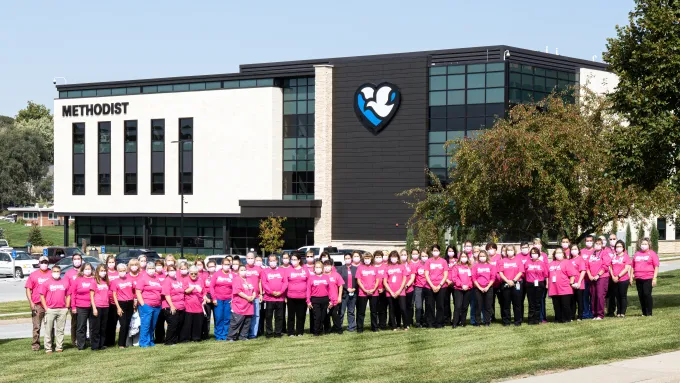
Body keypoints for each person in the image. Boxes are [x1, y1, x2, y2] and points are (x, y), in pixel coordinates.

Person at [39, 265, 71, 353]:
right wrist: (46, 307)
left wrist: (67, 307)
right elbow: (42, 296)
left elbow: (68, 295)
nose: (56, 273)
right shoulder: (46, 283)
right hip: (50, 309)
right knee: (48, 330)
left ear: (60, 272)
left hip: (62, 310)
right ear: (51, 272)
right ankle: (48, 348)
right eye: (54, 271)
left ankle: (59, 347)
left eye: (58, 271)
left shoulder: (64, 282)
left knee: (60, 330)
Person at [25, 255, 52, 351]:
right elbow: (28, 289)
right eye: (42, 262)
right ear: (39, 263)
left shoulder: (52, 273)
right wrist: (31, 302)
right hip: (37, 304)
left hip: (49, 304)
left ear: (48, 263)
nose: (44, 264)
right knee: (36, 326)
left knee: (50, 326)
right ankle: (35, 345)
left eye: (46, 262)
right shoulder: (33, 275)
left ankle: (49, 344)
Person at [136, 262, 163, 347]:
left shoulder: (157, 279)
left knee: (152, 325)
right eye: (149, 268)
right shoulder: (143, 279)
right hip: (147, 305)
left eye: (153, 268)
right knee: (146, 324)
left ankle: (150, 341)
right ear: (146, 269)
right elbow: (138, 292)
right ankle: (143, 342)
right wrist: (143, 304)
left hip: (157, 306)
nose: (151, 270)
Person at [548, 248, 578, 323]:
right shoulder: (551, 263)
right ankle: (558, 318)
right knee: (556, 305)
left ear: (563, 254)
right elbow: (548, 275)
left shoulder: (567, 262)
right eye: (556, 253)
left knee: (565, 305)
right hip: (554, 288)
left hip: (565, 288)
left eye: (560, 252)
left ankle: (566, 319)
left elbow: (572, 275)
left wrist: (571, 283)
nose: (558, 254)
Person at [69, 262, 94, 350]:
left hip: (92, 306)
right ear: (82, 270)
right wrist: (73, 307)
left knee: (93, 326)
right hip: (81, 306)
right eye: (86, 269)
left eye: (89, 269)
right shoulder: (78, 279)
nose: (88, 271)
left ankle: (93, 344)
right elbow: (73, 294)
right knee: (81, 326)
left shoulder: (94, 279)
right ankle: (81, 345)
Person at [631, 237, 659, 317]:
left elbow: (656, 266)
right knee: (641, 295)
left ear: (649, 245)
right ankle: (644, 312)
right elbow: (633, 266)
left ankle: (649, 312)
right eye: (642, 244)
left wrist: (654, 278)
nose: (644, 245)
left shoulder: (652, 253)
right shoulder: (637, 254)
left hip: (648, 278)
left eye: (645, 244)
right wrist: (632, 275)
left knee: (647, 294)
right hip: (638, 278)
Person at [261, 255, 288, 338]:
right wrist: (272, 292)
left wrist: (281, 292)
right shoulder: (265, 271)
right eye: (270, 261)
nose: (272, 262)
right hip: (269, 298)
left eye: (274, 260)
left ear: (277, 261)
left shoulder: (282, 271)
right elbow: (264, 283)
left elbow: (285, 282)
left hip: (280, 298)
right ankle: (269, 333)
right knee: (268, 316)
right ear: (268, 262)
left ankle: (278, 333)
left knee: (279, 317)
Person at [228, 265, 256, 341]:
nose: (243, 271)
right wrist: (247, 297)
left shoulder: (249, 279)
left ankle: (243, 336)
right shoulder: (236, 279)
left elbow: (253, 290)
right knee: (236, 322)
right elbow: (238, 291)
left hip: (249, 305)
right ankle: (231, 337)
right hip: (239, 305)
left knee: (247, 322)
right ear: (238, 271)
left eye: (244, 270)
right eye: (241, 270)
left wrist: (253, 296)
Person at [587, 237, 612, 320]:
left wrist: (598, 275)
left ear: (602, 245)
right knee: (593, 296)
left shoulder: (604, 253)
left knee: (600, 295)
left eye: (599, 244)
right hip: (592, 278)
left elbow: (605, 266)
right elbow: (587, 266)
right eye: (596, 244)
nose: (597, 245)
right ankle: (594, 314)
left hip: (602, 277)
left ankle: (600, 314)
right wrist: (590, 275)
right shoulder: (592, 254)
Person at [499, 245, 524, 326]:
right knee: (506, 304)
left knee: (517, 304)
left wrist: (513, 281)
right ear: (506, 252)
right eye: (508, 250)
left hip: (516, 283)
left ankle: (517, 321)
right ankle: (507, 321)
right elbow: (500, 273)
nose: (510, 251)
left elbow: (520, 272)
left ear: (514, 251)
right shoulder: (502, 261)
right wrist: (508, 281)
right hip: (506, 284)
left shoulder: (518, 260)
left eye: (511, 250)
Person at [111, 263, 135, 348]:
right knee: (123, 324)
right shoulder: (115, 282)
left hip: (130, 303)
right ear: (118, 271)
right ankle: (121, 344)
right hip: (121, 303)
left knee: (128, 323)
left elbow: (134, 291)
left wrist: (134, 301)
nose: (122, 272)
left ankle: (126, 342)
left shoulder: (130, 279)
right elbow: (114, 295)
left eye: (124, 270)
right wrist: (118, 307)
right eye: (120, 271)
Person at [210, 257, 234, 341]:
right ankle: (219, 335)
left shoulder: (232, 275)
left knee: (227, 318)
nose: (227, 266)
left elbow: (235, 287)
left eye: (228, 264)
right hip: (218, 299)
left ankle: (225, 334)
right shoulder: (217, 274)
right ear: (222, 265)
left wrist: (232, 298)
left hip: (228, 300)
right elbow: (211, 287)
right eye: (225, 264)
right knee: (219, 317)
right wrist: (214, 298)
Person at [424, 245, 448, 328]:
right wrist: (432, 286)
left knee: (440, 305)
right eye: (434, 250)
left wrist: (439, 285)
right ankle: (430, 323)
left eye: (437, 250)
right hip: (429, 287)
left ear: (440, 251)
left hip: (441, 286)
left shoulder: (443, 261)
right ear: (431, 252)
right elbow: (426, 274)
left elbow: (445, 275)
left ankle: (439, 323)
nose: (435, 252)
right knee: (430, 305)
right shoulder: (428, 261)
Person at [306, 261, 333, 336]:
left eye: (319, 267)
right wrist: (308, 301)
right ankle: (316, 331)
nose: (318, 269)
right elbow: (308, 290)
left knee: (323, 316)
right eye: (316, 267)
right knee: (317, 316)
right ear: (314, 269)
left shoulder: (326, 277)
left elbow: (330, 290)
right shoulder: (311, 278)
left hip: (325, 299)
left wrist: (331, 300)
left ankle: (321, 330)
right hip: (315, 299)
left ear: (322, 268)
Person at [161, 264, 185, 345]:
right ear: (167, 271)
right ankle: (168, 341)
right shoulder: (167, 280)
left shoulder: (177, 280)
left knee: (178, 324)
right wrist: (172, 306)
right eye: (170, 270)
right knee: (173, 324)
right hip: (170, 306)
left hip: (180, 306)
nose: (172, 272)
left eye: (173, 270)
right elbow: (167, 295)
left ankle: (174, 340)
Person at [356, 252, 379, 333]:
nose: (367, 260)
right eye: (365, 258)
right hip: (363, 292)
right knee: (361, 311)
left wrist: (373, 289)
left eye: (368, 258)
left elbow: (377, 281)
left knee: (374, 311)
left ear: (371, 259)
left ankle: (374, 327)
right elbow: (358, 281)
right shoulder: (360, 268)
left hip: (374, 292)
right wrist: (364, 290)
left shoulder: (375, 268)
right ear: (363, 259)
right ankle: (359, 328)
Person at [180, 266, 205, 342]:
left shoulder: (200, 280)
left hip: (198, 305)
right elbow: (186, 291)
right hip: (189, 306)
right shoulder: (185, 280)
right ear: (189, 273)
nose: (194, 275)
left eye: (195, 274)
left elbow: (203, 292)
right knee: (187, 324)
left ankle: (196, 337)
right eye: (192, 273)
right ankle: (186, 338)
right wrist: (194, 287)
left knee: (197, 323)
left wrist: (204, 298)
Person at [285, 253, 308, 336]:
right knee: (291, 316)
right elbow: (285, 283)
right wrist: (285, 296)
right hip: (291, 296)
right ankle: (290, 332)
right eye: (292, 259)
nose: (293, 261)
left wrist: (308, 297)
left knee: (300, 316)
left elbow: (308, 283)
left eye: (295, 259)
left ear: (299, 260)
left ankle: (300, 332)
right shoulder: (288, 270)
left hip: (302, 296)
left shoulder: (304, 270)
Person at [384, 251, 408, 330]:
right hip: (390, 292)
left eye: (395, 257)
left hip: (401, 291)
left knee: (403, 308)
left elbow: (404, 279)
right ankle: (394, 326)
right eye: (392, 257)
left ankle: (405, 325)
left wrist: (399, 290)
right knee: (392, 309)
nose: (393, 258)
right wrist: (390, 291)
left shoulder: (402, 266)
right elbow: (385, 281)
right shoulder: (387, 268)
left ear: (398, 258)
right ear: (390, 258)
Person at [524, 247, 548, 325]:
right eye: (533, 253)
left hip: (540, 284)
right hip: (529, 284)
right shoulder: (527, 262)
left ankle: (537, 319)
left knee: (537, 302)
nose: (534, 254)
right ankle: (530, 319)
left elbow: (546, 275)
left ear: (539, 254)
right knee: (531, 302)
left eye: (535, 253)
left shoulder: (542, 263)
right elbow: (524, 273)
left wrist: (547, 284)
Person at [472, 250, 495, 327]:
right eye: (480, 256)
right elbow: (474, 278)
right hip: (478, 288)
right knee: (478, 305)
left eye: (483, 256)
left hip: (489, 288)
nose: (482, 257)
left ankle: (487, 321)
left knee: (488, 305)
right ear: (478, 257)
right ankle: (478, 322)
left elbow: (493, 278)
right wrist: (479, 287)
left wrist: (487, 287)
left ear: (486, 257)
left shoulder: (491, 266)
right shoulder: (475, 266)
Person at [90, 264, 110, 350]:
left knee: (103, 327)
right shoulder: (94, 281)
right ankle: (95, 345)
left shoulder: (107, 281)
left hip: (106, 306)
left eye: (104, 271)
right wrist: (94, 308)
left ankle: (101, 344)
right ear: (97, 272)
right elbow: (91, 296)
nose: (103, 272)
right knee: (96, 327)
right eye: (101, 271)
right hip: (97, 306)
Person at [609, 240, 631, 317]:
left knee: (623, 296)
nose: (618, 248)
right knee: (617, 296)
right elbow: (610, 267)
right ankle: (618, 312)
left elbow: (626, 268)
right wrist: (613, 276)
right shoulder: (614, 256)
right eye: (617, 246)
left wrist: (618, 276)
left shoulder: (626, 256)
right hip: (614, 280)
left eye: (620, 246)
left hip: (623, 280)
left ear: (623, 248)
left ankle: (623, 312)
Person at [65, 253, 83, 347]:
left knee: (83, 322)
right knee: (75, 322)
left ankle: (82, 339)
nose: (77, 260)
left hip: (85, 301)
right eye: (75, 259)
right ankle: (74, 340)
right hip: (74, 302)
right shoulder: (69, 273)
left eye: (78, 258)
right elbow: (66, 289)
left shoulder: (85, 271)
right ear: (72, 261)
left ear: (81, 260)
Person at [451, 252, 472, 328]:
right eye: (462, 256)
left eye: (465, 256)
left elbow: (472, 278)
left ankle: (463, 322)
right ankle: (455, 322)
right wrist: (461, 285)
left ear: (467, 258)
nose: (463, 258)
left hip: (468, 289)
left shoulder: (470, 267)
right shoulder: (456, 267)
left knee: (465, 306)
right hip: (458, 289)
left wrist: (468, 285)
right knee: (458, 306)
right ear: (459, 258)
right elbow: (454, 278)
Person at [339, 252, 359, 332]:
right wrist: (347, 288)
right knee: (342, 311)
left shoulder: (356, 269)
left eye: (349, 258)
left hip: (353, 293)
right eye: (346, 258)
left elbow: (359, 280)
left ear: (351, 259)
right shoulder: (340, 269)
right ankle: (339, 326)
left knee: (351, 311)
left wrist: (354, 288)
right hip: (344, 293)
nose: (347, 260)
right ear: (344, 259)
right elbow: (339, 281)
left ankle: (351, 327)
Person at [244, 252, 262, 339]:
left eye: (252, 258)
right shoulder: (243, 268)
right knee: (246, 315)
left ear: (254, 259)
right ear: (246, 259)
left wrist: (261, 294)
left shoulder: (259, 269)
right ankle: (245, 333)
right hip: (246, 296)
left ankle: (253, 334)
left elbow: (260, 282)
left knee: (256, 315)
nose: (250, 260)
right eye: (249, 258)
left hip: (256, 296)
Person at [324, 260, 344, 334]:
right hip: (325, 299)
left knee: (335, 315)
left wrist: (339, 297)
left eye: (328, 265)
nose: (327, 267)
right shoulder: (322, 275)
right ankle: (327, 329)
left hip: (335, 299)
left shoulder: (336, 275)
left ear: (332, 266)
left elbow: (340, 286)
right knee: (326, 315)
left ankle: (338, 329)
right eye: (325, 265)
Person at [103, 255, 119, 347]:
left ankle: (111, 342)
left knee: (113, 322)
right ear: (107, 263)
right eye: (109, 262)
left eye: (113, 262)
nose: (111, 264)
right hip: (106, 300)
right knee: (106, 322)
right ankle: (105, 341)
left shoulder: (118, 273)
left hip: (115, 301)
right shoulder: (105, 273)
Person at [579, 235, 596, 319]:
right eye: (587, 240)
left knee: (593, 296)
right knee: (585, 297)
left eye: (590, 240)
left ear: (593, 242)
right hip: (584, 279)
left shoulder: (596, 251)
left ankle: (593, 312)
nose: (589, 242)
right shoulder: (581, 251)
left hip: (593, 278)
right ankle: (585, 313)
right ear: (585, 242)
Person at [569, 244, 587, 321]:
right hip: (571, 284)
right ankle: (572, 316)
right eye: (572, 249)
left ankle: (580, 316)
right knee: (572, 301)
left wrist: (579, 282)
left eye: (575, 249)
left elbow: (583, 271)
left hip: (579, 283)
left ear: (578, 250)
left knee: (580, 301)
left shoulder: (580, 259)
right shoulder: (569, 260)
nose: (574, 250)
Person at [399, 248, 416, 329]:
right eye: (402, 255)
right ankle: (401, 322)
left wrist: (406, 286)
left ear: (407, 256)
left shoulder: (411, 265)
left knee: (409, 306)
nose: (403, 256)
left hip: (409, 289)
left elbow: (413, 277)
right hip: (399, 290)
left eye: (405, 255)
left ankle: (408, 322)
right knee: (401, 307)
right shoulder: (398, 265)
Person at [201, 260, 217, 340]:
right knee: (207, 317)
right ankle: (206, 334)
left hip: (215, 296)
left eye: (213, 266)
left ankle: (217, 334)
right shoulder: (204, 275)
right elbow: (202, 287)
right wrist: (205, 297)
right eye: (210, 266)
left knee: (217, 316)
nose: (212, 268)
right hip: (206, 296)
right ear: (207, 267)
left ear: (215, 266)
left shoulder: (217, 275)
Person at [604, 234, 619, 317]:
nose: (612, 240)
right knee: (609, 295)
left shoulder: (620, 249)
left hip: (618, 276)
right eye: (611, 239)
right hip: (608, 276)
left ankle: (619, 311)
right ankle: (610, 311)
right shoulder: (606, 250)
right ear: (608, 240)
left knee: (618, 294)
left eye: (614, 239)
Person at [372, 251, 388, 330]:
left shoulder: (386, 267)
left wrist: (384, 289)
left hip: (384, 290)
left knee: (383, 309)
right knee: (375, 309)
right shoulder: (372, 267)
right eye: (376, 257)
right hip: (374, 291)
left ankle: (383, 324)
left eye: (380, 257)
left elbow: (389, 279)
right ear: (374, 258)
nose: (378, 259)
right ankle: (375, 324)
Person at [413, 249, 428, 327]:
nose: (424, 257)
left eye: (426, 256)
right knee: (419, 306)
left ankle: (426, 321)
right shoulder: (417, 265)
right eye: (422, 256)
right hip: (418, 287)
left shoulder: (430, 264)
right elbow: (414, 276)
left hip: (428, 287)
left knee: (428, 305)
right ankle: (418, 322)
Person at [487, 242, 502, 322]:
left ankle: (503, 316)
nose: (490, 250)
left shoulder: (500, 257)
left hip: (499, 283)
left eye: (492, 248)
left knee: (501, 301)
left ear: (496, 249)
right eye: (489, 249)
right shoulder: (486, 258)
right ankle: (491, 317)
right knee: (490, 301)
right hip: (490, 284)